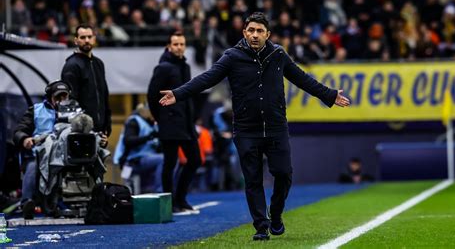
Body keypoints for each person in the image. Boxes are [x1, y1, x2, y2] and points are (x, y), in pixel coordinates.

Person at [159, 12, 350, 240]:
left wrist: (328, 95)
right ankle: (261, 226)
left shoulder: (278, 54)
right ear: (244, 33)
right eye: (251, 30)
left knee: (283, 174)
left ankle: (276, 214)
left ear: (267, 34)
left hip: (276, 127)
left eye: (260, 31)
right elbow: (207, 78)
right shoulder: (232, 56)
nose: (255, 35)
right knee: (253, 180)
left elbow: (302, 78)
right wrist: (178, 94)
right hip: (246, 130)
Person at [13, 80, 106, 218]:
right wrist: (24, 139)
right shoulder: (36, 110)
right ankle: (27, 203)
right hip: (41, 152)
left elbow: (90, 131)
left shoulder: (78, 111)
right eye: (58, 97)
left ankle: (98, 202)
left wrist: (101, 140)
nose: (62, 100)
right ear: (50, 96)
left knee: (95, 160)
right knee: (33, 166)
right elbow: (19, 132)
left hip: (70, 154)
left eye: (65, 96)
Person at [147, 31, 201, 213]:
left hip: (186, 124)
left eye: (182, 44)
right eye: (176, 44)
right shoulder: (163, 67)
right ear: (169, 46)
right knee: (170, 164)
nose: (179, 47)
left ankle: (180, 198)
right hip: (169, 124)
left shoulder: (185, 67)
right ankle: (170, 203)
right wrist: (160, 117)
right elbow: (152, 95)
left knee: (195, 160)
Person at [61, 24, 112, 139]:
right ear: (76, 40)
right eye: (83, 38)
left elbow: (104, 95)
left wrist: (107, 123)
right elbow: (70, 101)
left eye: (90, 37)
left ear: (94, 38)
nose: (87, 40)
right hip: (81, 131)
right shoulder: (71, 65)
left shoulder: (99, 63)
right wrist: (79, 128)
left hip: (100, 129)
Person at [113, 103, 164, 193]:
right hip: (133, 160)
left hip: (147, 159)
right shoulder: (134, 121)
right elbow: (128, 141)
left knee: (170, 159)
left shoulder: (152, 124)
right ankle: (160, 192)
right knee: (163, 159)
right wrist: (148, 137)